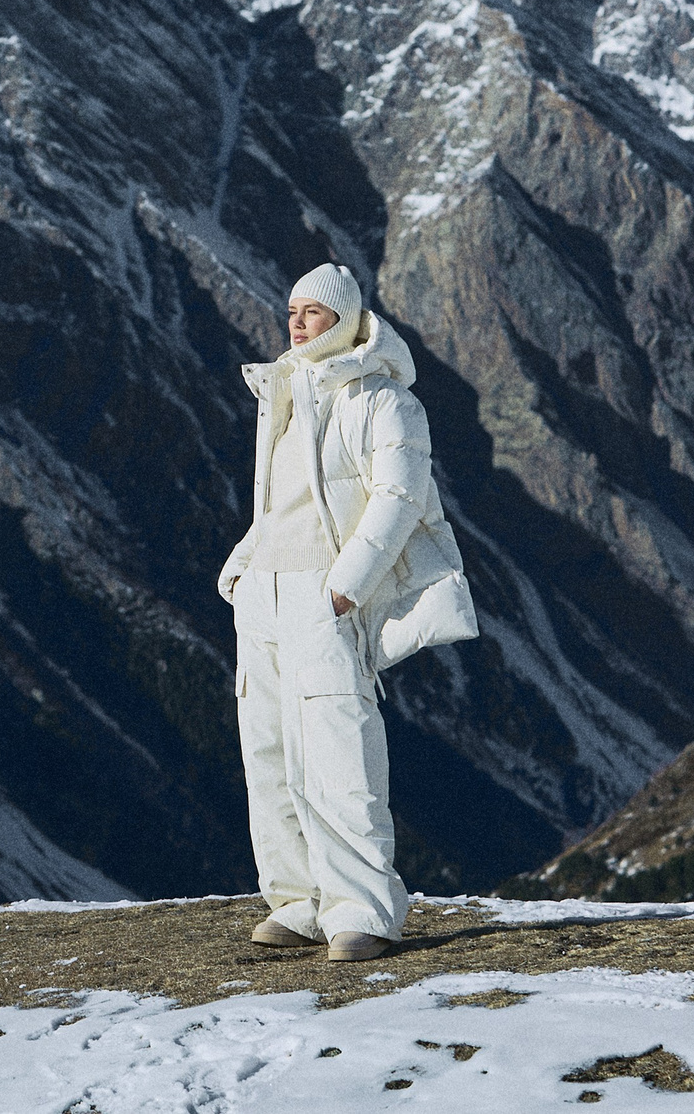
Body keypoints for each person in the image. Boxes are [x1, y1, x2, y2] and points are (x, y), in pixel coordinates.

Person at [215, 262, 440, 962]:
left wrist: (345, 589)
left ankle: (363, 912)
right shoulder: (283, 389)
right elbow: (278, 501)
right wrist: (242, 568)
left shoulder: (384, 399)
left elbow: (399, 498)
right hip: (264, 594)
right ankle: (298, 903)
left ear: (346, 319)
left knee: (339, 753)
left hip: (323, 591)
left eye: (313, 312)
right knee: (270, 753)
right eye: (292, 311)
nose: (297, 323)